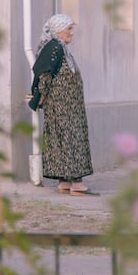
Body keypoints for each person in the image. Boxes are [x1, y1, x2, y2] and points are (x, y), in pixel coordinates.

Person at [29, 13, 98, 195]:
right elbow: (44, 74)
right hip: (63, 106)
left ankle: (64, 183)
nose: (72, 33)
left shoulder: (59, 48)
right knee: (72, 140)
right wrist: (41, 98)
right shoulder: (54, 48)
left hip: (66, 105)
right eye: (69, 28)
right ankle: (77, 184)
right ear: (59, 31)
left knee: (61, 141)